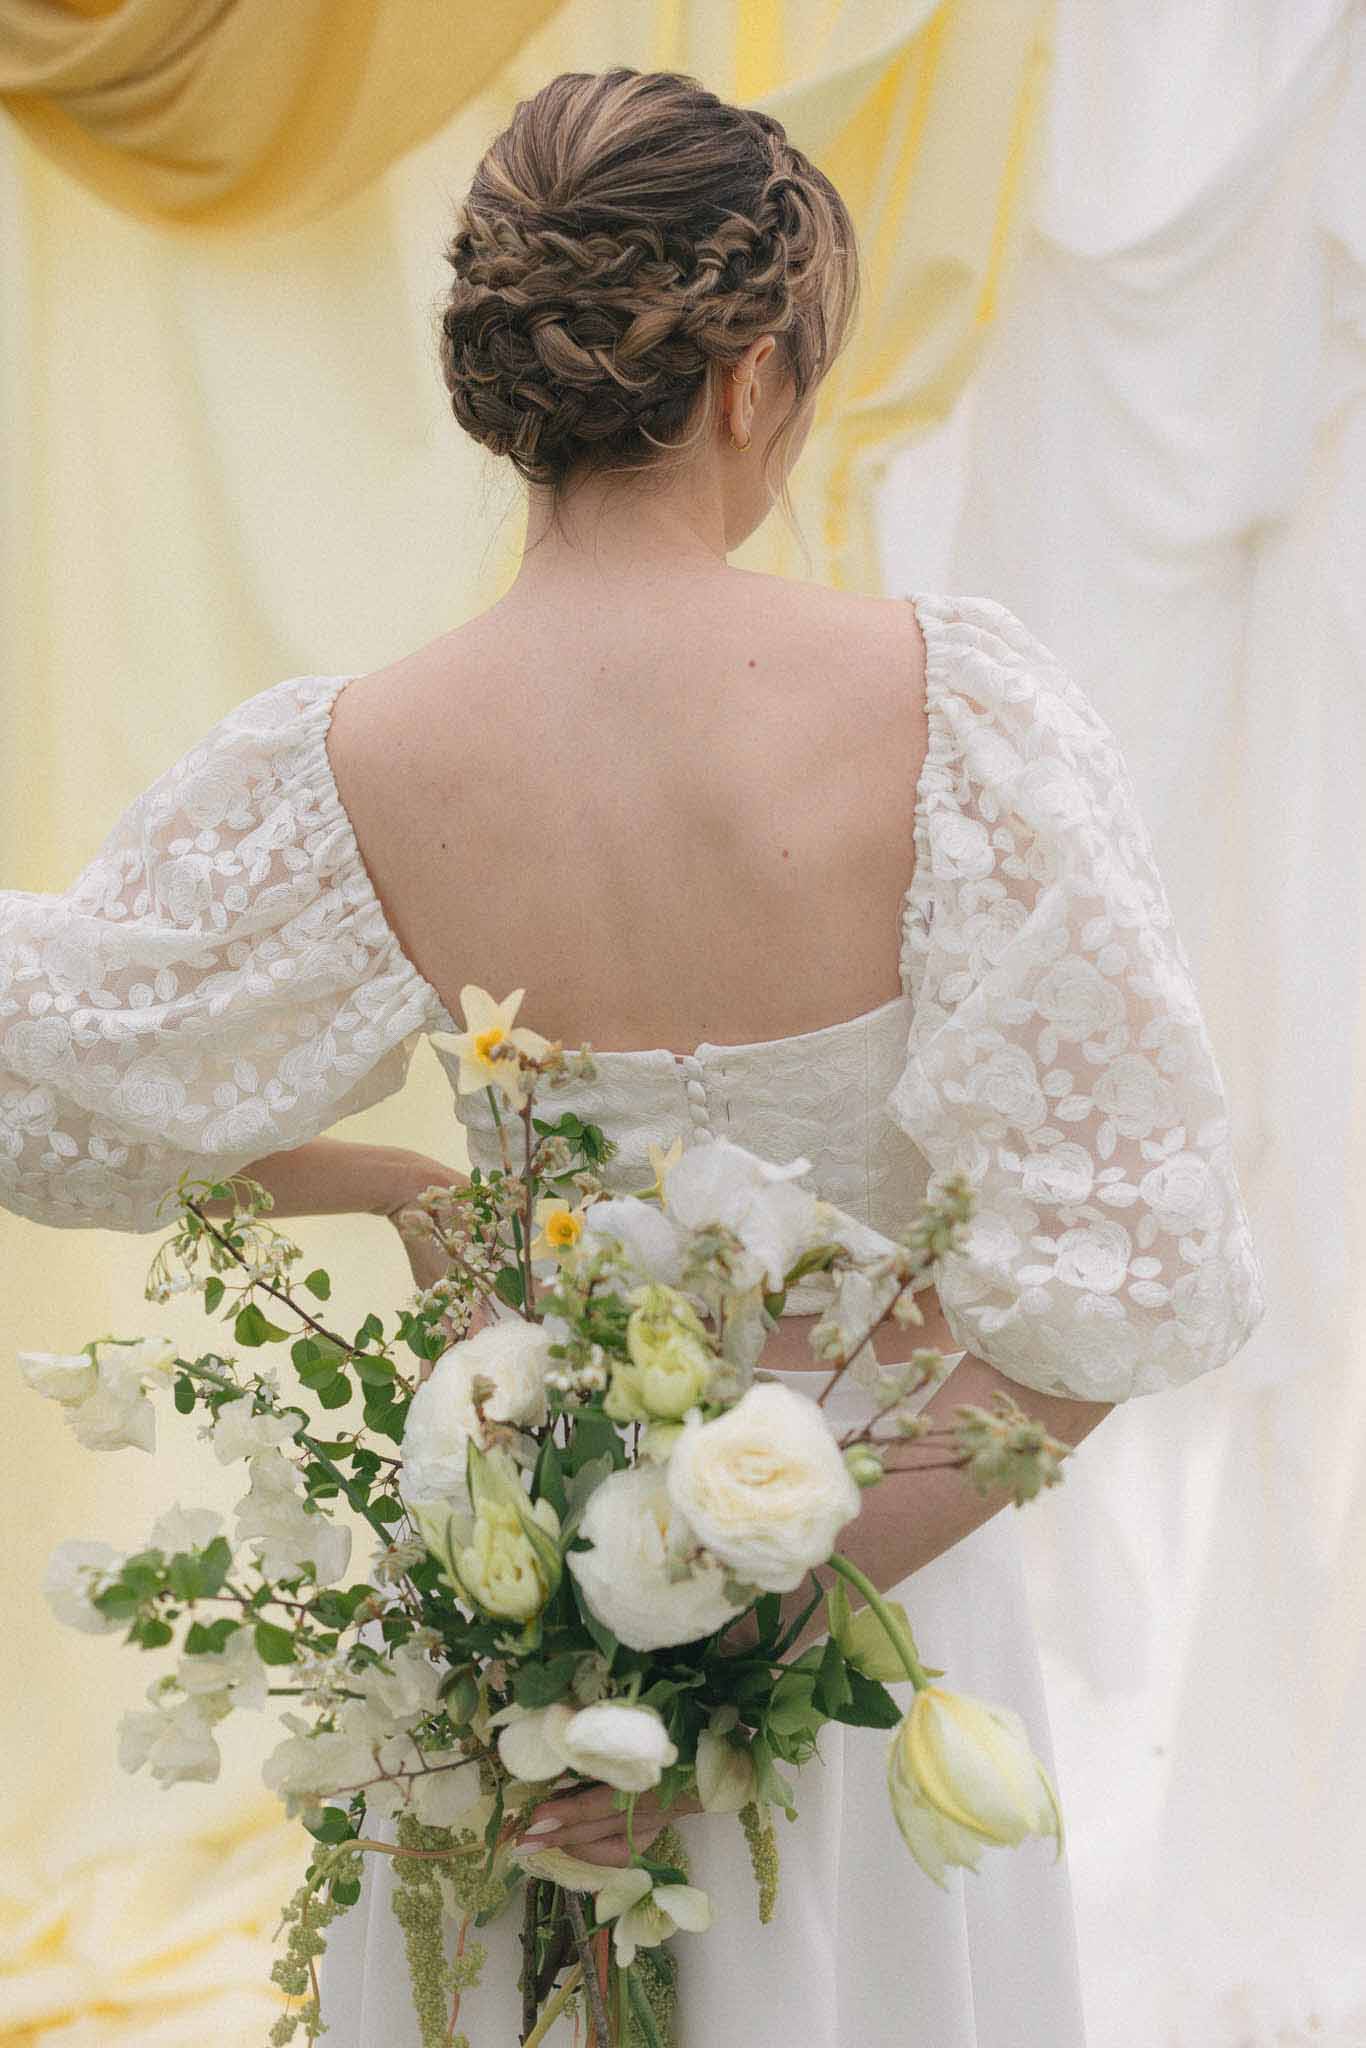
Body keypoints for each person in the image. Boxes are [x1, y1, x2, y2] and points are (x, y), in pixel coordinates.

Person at [1, 66, 1265, 2048]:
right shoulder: (957, 717)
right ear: (752, 375)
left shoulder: (346, 762)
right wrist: (741, 1632)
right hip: (867, 1609)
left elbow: (44, 1086)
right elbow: (1115, 1285)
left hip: (503, 1633)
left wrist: (396, 1188)